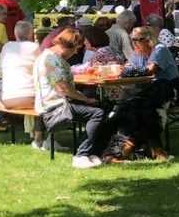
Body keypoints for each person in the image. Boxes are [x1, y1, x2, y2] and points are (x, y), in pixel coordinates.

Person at [33, 27, 119, 168]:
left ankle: (95, 151)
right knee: (97, 113)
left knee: (102, 107)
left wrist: (83, 98)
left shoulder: (46, 56)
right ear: (68, 46)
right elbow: (63, 88)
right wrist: (85, 99)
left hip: (53, 104)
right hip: (55, 108)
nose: (76, 52)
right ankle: (81, 154)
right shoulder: (53, 60)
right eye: (76, 49)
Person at [0, 20, 47, 149]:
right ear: (31, 34)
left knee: (36, 97)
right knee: (46, 101)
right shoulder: (34, 47)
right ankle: (39, 139)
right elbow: (43, 69)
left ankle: (34, 135)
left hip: (5, 99)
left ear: (15, 33)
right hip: (26, 97)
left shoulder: (7, 46)